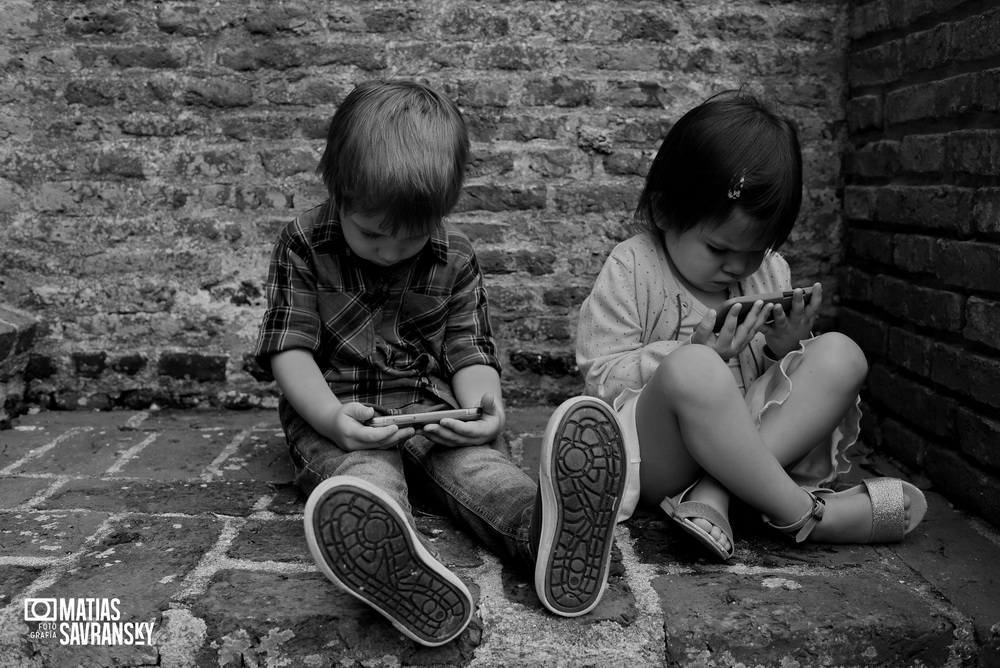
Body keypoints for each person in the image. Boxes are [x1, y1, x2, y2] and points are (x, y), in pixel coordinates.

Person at [253, 79, 628, 646]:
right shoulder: (303, 244)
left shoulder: (457, 257)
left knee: (485, 474)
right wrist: (330, 420)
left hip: (432, 412)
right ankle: (393, 561)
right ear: (338, 189)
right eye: (373, 234)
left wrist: (486, 408)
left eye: (411, 238)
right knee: (366, 480)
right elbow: (290, 349)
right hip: (341, 413)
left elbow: (468, 350)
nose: (390, 252)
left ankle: (552, 531)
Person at [575, 89, 927, 562]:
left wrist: (786, 347)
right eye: (719, 250)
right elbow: (600, 380)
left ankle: (716, 491)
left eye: (755, 251)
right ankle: (804, 515)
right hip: (663, 454)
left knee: (841, 352)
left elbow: (781, 384)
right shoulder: (632, 267)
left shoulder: (769, 272)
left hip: (756, 445)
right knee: (695, 369)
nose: (737, 268)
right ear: (664, 211)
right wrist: (690, 355)